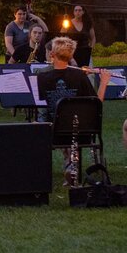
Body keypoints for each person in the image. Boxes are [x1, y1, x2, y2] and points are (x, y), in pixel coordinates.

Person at [36, 36, 110, 184]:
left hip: (54, 133)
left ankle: (68, 166)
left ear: (52, 54)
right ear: (71, 55)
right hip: (84, 133)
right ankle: (71, 165)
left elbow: (36, 105)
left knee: (54, 120)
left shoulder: (42, 78)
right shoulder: (80, 76)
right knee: (71, 122)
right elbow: (96, 104)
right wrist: (104, 82)